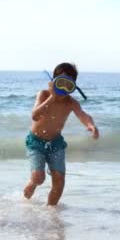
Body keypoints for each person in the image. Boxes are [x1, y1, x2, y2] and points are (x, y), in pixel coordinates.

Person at [23, 63, 99, 206]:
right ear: (53, 82)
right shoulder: (44, 94)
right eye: (61, 83)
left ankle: (51, 213)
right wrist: (51, 97)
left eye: (68, 85)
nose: (64, 88)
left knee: (59, 182)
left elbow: (83, 115)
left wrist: (91, 125)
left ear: (73, 86)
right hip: (35, 142)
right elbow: (34, 115)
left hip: (56, 143)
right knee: (39, 178)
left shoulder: (71, 103)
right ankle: (32, 183)